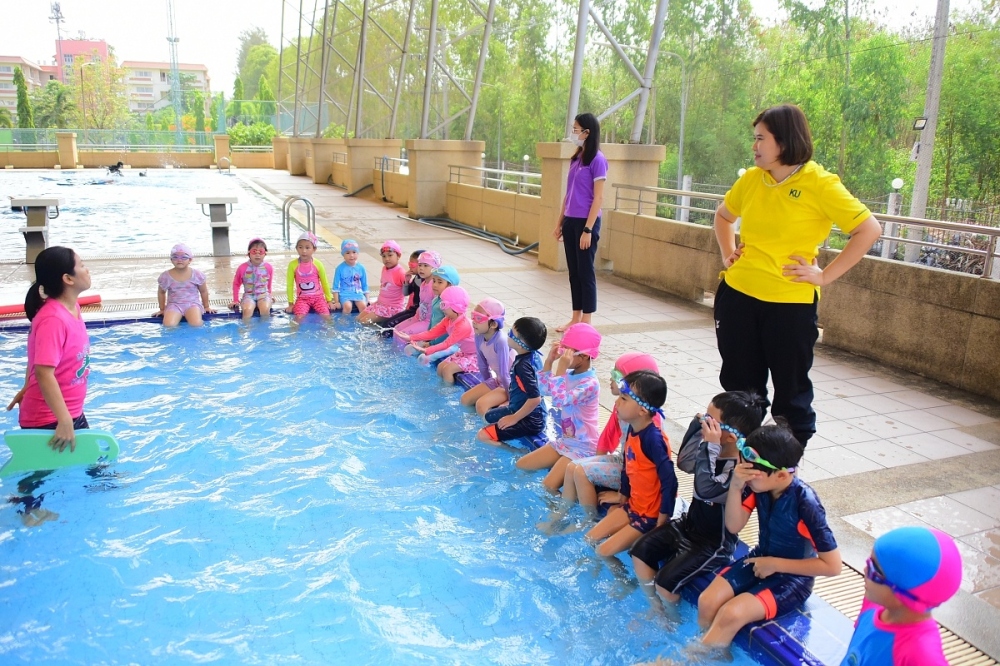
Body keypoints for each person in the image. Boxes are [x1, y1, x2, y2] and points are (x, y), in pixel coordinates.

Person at [713, 104, 881, 446]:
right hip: (738, 297)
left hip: (789, 306)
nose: (754, 146)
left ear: (785, 141)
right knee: (740, 387)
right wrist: (728, 254)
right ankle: (738, 458)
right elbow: (723, 216)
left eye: (761, 138)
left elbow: (868, 229)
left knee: (791, 392)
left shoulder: (820, 183)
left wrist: (824, 276)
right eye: (755, 138)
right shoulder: (752, 179)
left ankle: (784, 465)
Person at [698, 422, 842, 648]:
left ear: (782, 476)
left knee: (731, 614)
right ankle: (709, 649)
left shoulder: (806, 504)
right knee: (707, 601)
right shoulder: (759, 486)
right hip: (760, 559)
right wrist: (735, 487)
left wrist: (774, 564)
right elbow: (734, 526)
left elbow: (833, 566)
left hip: (793, 579)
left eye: (752, 474)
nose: (747, 478)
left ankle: (695, 656)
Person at [630, 391, 765, 613]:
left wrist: (709, 447)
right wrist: (696, 427)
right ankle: (656, 608)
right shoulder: (711, 451)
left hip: (714, 544)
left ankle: (669, 620)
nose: (705, 423)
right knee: (640, 551)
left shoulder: (739, 472)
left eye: (711, 421)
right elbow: (684, 463)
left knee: (665, 584)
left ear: (731, 437)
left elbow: (706, 489)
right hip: (688, 526)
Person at [5, 247, 92, 526]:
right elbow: (44, 372)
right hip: (50, 416)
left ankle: (104, 489)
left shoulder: (71, 308)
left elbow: (37, 357)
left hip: (68, 411)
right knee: (38, 471)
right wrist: (64, 419)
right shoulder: (53, 318)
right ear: (68, 278)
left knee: (90, 459)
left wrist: (25, 386)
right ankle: (26, 513)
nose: (87, 269)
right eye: (82, 264)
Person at [542, 352, 663, 529]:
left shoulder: (649, 423)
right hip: (624, 463)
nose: (611, 378)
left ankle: (587, 520)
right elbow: (608, 437)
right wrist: (595, 462)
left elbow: (649, 467)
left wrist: (622, 494)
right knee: (573, 466)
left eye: (617, 375)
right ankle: (562, 512)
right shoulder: (621, 406)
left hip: (635, 475)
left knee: (581, 471)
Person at [840, 526, 962, 666]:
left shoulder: (920, 654)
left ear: (902, 595)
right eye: (869, 561)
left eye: (875, 571)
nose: (865, 569)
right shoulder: (872, 604)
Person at [585, 370, 674, 558]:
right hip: (634, 506)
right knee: (589, 539)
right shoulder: (633, 430)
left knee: (602, 552)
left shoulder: (654, 440)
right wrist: (623, 495)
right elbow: (628, 466)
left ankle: (620, 579)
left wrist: (662, 521)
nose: (617, 402)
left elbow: (670, 482)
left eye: (624, 399)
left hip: (650, 516)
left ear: (642, 410)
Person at [515, 323, 601, 493]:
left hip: (583, 447)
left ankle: (557, 510)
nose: (563, 355)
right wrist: (549, 361)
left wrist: (561, 368)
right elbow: (544, 389)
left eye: (567, 351)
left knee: (548, 486)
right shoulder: (569, 375)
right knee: (521, 465)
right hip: (566, 442)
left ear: (584, 356)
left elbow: (559, 400)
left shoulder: (590, 384)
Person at [553, 112, 608, 333]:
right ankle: (575, 317)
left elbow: (599, 198)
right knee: (574, 272)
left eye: (576, 129)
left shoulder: (598, 160)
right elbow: (568, 194)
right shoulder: (576, 158)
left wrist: (588, 229)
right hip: (570, 220)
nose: (573, 133)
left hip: (587, 222)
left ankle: (586, 320)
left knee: (586, 272)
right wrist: (560, 222)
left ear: (587, 132)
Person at [476, 317, 548, 447]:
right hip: (525, 409)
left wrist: (513, 418)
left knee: (482, 435)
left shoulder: (523, 366)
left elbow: (535, 399)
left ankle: (518, 452)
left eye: (510, 333)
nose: (507, 335)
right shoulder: (533, 355)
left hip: (531, 420)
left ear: (519, 343)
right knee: (488, 417)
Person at [398, 286, 478, 377]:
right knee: (440, 367)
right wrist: (411, 337)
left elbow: (446, 344)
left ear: (455, 307)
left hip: (476, 356)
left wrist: (427, 350)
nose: (441, 308)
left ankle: (445, 387)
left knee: (447, 371)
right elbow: (432, 333)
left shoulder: (463, 326)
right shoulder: (448, 320)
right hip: (464, 352)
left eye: (443, 305)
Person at [457, 298, 512, 411]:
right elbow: (482, 365)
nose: (473, 321)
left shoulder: (501, 341)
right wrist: (488, 385)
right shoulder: (479, 336)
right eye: (473, 316)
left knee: (481, 405)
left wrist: (512, 399)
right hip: (499, 380)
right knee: (465, 400)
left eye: (479, 318)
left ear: (494, 324)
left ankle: (487, 424)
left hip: (512, 385)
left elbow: (505, 373)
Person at [153, 243, 215, 327]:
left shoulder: (197, 275)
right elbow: (161, 292)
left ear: (190, 260)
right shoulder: (166, 276)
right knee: (169, 325)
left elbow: (203, 291)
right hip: (174, 305)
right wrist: (162, 309)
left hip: (192, 304)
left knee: (196, 324)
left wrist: (206, 307)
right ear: (171, 259)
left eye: (184, 257)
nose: (179, 260)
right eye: (175, 257)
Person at [284, 231, 333, 323]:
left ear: (314, 249)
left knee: (326, 317)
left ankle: (331, 331)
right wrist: (290, 304)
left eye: (307, 247)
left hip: (318, 298)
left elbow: (325, 283)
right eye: (300, 247)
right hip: (302, 299)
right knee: (298, 318)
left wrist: (329, 300)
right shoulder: (293, 265)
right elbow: (289, 285)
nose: (304, 251)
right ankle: (293, 331)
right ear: (296, 248)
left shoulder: (318, 264)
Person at [393, 251, 441, 341]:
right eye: (420, 265)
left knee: (401, 336)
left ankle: (405, 350)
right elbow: (422, 303)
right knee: (396, 330)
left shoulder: (434, 286)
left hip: (428, 322)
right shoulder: (423, 283)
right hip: (418, 317)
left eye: (426, 265)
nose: (421, 268)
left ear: (435, 268)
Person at [358, 240, 407, 325]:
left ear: (398, 256)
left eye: (390, 255)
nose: (387, 259)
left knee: (363, 322)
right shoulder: (384, 268)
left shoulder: (400, 273)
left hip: (392, 308)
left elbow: (409, 291)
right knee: (358, 319)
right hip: (379, 304)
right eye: (384, 256)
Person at [378, 249, 424, 334]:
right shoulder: (417, 278)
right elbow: (406, 293)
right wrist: (406, 281)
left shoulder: (426, 282)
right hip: (413, 310)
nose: (409, 266)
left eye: (412, 264)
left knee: (388, 328)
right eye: (409, 263)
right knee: (385, 325)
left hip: (419, 313)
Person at [231, 237, 274, 322]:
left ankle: (264, 329)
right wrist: (235, 300)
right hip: (249, 295)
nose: (257, 255)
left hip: (263, 294)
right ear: (249, 253)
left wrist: (270, 295)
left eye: (260, 252)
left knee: (265, 309)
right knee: (247, 310)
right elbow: (236, 284)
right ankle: (246, 329)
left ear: (265, 253)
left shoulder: (268, 267)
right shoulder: (242, 268)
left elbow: (269, 284)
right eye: (254, 251)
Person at [332, 239, 369, 314]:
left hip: (358, 292)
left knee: (363, 306)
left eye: (354, 252)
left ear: (358, 253)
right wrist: (337, 301)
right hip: (345, 293)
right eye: (347, 253)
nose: (351, 255)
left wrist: (367, 299)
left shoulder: (361, 268)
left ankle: (361, 321)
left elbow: (365, 285)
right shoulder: (340, 268)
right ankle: (344, 320)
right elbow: (335, 286)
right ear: (343, 255)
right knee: (347, 306)